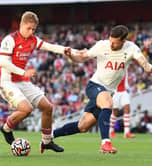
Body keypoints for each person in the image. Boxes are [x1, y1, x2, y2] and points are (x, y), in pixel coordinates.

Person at [53, 25, 152, 154]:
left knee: (82, 126)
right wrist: (71, 56)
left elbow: (146, 66)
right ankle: (106, 143)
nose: (111, 45)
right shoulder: (102, 45)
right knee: (108, 103)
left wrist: (148, 67)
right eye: (110, 41)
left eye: (115, 43)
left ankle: (49, 136)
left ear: (123, 41)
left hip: (107, 92)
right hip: (95, 85)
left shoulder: (132, 48)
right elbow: (82, 58)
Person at [0, 11, 70, 153]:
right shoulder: (9, 40)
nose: (31, 32)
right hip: (7, 82)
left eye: (33, 29)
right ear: (21, 25)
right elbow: (3, 63)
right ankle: (6, 128)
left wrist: (65, 50)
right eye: (28, 28)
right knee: (27, 109)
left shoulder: (33, 40)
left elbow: (49, 46)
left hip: (22, 81)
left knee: (48, 107)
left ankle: (47, 141)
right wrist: (24, 72)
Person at [109, 73, 136, 138]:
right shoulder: (114, 68)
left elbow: (125, 81)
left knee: (127, 108)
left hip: (123, 91)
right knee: (115, 111)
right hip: (115, 92)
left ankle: (126, 132)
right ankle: (111, 131)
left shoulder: (125, 68)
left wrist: (129, 89)